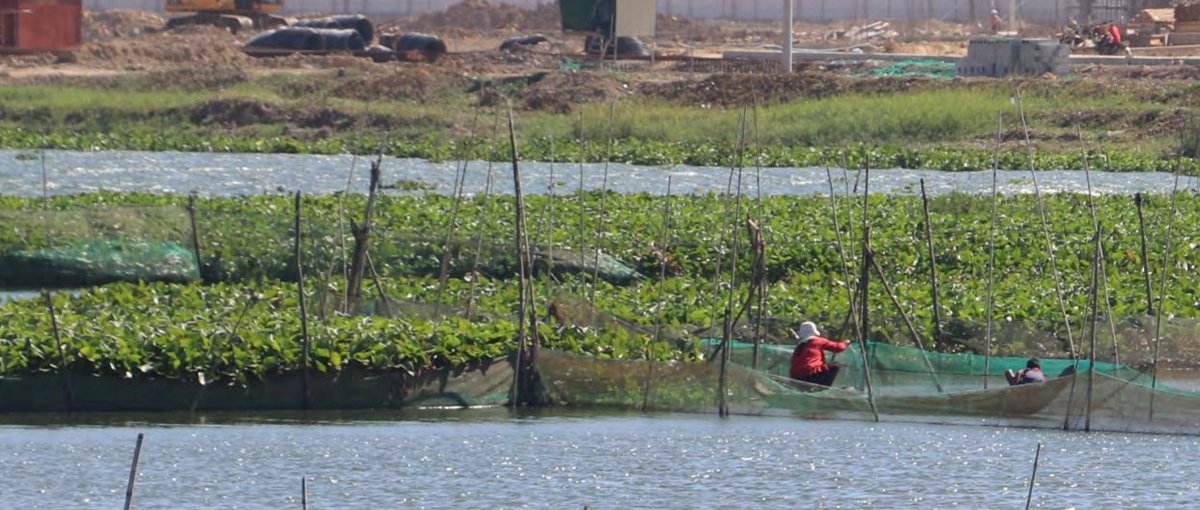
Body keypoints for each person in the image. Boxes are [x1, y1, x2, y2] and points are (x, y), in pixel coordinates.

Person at [789, 321, 851, 387]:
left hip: (795, 378)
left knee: (825, 367)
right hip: (811, 375)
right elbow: (838, 348)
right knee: (835, 365)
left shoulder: (799, 345)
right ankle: (824, 387)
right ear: (814, 332)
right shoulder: (817, 341)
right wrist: (846, 342)